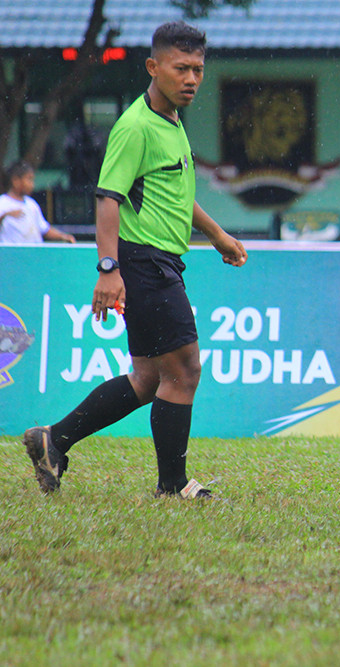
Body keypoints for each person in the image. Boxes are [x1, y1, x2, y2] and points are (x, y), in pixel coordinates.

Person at [22, 21, 247, 498]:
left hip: (159, 262)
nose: (191, 79)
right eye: (181, 68)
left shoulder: (172, 122)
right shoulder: (136, 126)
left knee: (147, 379)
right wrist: (108, 270)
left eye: (198, 69)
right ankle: (173, 486)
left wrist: (218, 235)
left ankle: (53, 440)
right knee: (184, 371)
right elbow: (108, 198)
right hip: (145, 263)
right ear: (152, 67)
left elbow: (175, 194)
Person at [0, 161, 76, 244]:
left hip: (34, 251)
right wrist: (5, 215)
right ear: (16, 181)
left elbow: (44, 229)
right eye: (29, 179)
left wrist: (63, 236)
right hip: (12, 251)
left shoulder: (31, 204)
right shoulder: (2, 203)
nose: (32, 184)